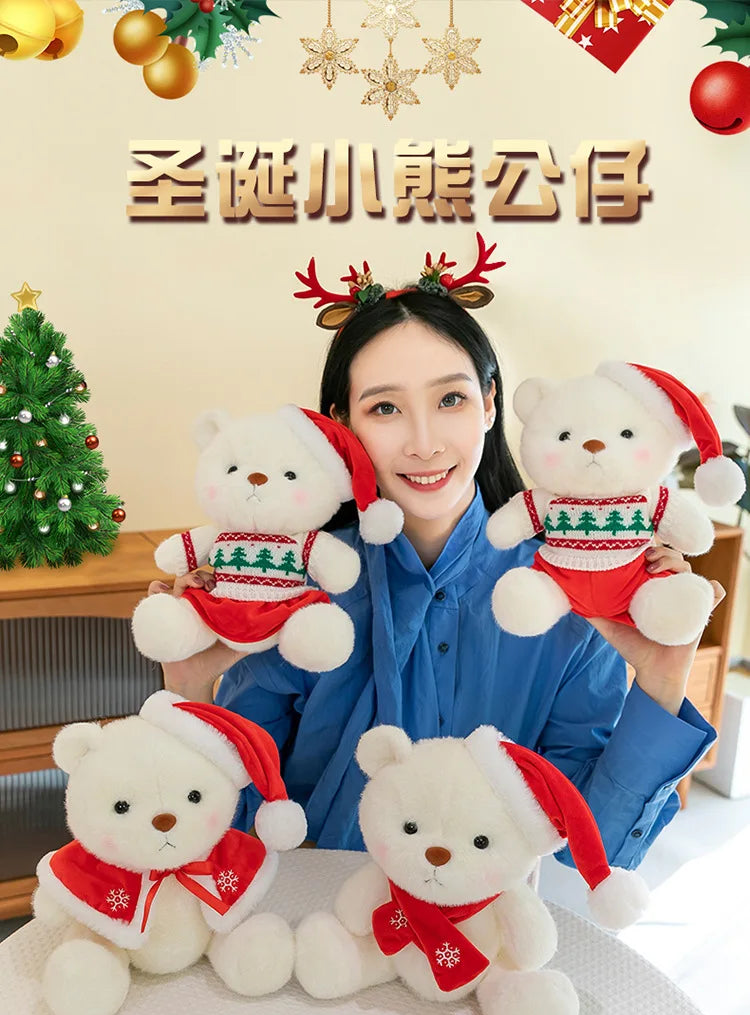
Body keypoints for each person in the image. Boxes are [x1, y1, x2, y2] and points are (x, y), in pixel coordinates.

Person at [149, 241, 721, 869]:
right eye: (385, 408)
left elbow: (593, 852)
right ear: (342, 425)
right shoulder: (299, 591)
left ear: (490, 403)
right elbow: (220, 833)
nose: (423, 444)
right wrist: (190, 685)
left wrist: (662, 683)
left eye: (450, 399)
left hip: (490, 920)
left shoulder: (565, 589)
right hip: (313, 909)